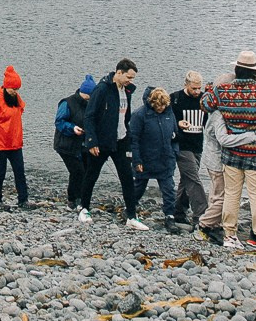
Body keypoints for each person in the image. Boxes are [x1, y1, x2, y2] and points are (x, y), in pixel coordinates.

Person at [203, 52, 256, 251]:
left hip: (231, 152)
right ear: (255, 72)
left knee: (231, 194)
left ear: (236, 70)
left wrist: (210, 89)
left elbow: (205, 103)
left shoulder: (223, 92)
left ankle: (229, 235)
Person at [87, 59, 144, 227]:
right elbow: (89, 116)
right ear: (119, 72)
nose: (130, 81)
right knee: (91, 175)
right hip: (102, 141)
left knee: (127, 177)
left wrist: (128, 137)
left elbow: (125, 117)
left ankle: (131, 216)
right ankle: (83, 208)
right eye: (129, 77)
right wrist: (91, 141)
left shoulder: (127, 91)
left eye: (133, 78)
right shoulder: (102, 89)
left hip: (121, 140)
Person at [130, 87, 180, 226]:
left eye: (164, 105)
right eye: (158, 105)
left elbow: (175, 135)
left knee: (169, 189)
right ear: (152, 103)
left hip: (166, 159)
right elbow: (134, 140)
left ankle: (170, 216)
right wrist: (137, 161)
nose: (161, 108)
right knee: (138, 187)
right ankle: (130, 209)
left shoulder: (169, 113)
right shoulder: (139, 115)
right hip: (145, 159)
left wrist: (174, 152)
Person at [168, 72, 211, 234]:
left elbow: (208, 121)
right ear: (186, 84)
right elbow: (167, 118)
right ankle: (202, 215)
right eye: (194, 88)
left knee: (186, 179)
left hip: (197, 144)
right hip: (181, 144)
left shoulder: (204, 99)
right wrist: (178, 123)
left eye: (199, 88)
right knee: (193, 178)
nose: (197, 91)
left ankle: (178, 211)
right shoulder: (176, 98)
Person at [0, 66, 30, 211]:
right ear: (6, 86)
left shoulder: (16, 97)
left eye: (17, 89)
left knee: (20, 172)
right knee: (0, 173)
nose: (15, 92)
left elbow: (21, 108)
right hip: (0, 144)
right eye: (13, 89)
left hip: (15, 143)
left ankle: (23, 200)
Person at [54, 76, 96, 214]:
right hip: (66, 144)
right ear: (84, 92)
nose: (91, 98)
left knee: (84, 171)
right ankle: (73, 200)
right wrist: (72, 128)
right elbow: (59, 122)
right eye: (89, 95)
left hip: (82, 144)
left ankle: (80, 198)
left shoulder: (92, 104)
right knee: (77, 171)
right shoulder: (67, 103)